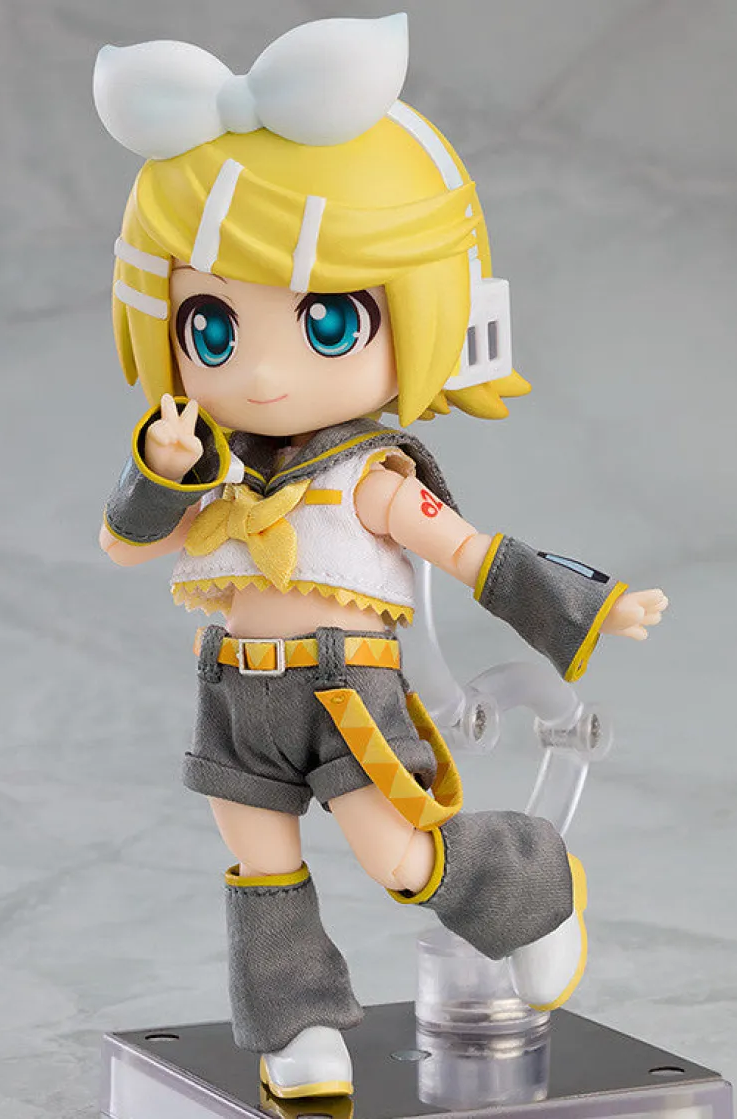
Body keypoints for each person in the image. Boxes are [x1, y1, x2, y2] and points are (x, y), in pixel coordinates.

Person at [94, 14, 668, 1099]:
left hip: (345, 687)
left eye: (326, 325)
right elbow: (130, 541)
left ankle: (530, 889)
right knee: (260, 871)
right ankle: (296, 1030)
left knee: (399, 854)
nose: (262, 375)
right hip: (232, 690)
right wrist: (163, 467)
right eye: (212, 328)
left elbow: (470, 551)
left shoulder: (367, 476)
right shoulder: (212, 464)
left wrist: (586, 606)